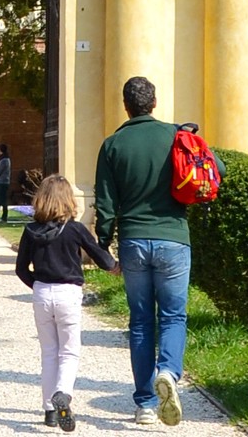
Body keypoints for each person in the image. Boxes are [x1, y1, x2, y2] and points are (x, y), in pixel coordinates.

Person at [94, 76, 221, 426]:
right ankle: (168, 371)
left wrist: (103, 246)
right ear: (154, 102)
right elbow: (217, 169)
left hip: (134, 240)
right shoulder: (177, 136)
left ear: (126, 105)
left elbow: (105, 203)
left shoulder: (113, 144)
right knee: (174, 316)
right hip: (174, 239)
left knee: (140, 323)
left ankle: (146, 404)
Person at [16, 175, 117, 431]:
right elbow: (99, 256)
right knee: (69, 351)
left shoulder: (31, 230)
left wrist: (37, 284)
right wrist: (115, 267)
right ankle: (64, 393)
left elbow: (21, 269)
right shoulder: (75, 229)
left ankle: (50, 411)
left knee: (49, 351)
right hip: (68, 292)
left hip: (42, 292)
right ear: (68, 199)